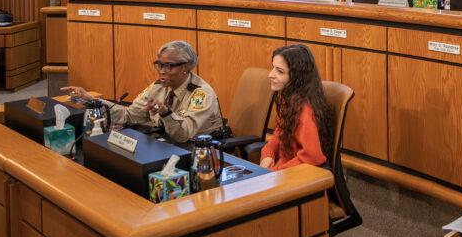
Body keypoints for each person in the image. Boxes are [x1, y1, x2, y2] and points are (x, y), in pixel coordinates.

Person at [62, 40, 223, 145]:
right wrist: (90, 100)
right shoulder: (158, 87)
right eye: (159, 64)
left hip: (199, 150)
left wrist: (166, 113)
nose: (162, 71)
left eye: (169, 66)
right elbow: (128, 116)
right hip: (166, 144)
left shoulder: (201, 94)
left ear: (185, 67)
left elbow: (183, 135)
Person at [259, 44, 334, 171]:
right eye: (273, 68)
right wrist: (268, 153)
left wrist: (275, 173)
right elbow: (280, 132)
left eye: (280, 71)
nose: (271, 74)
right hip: (284, 169)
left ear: (297, 77)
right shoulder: (289, 97)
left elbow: (312, 157)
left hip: (294, 176)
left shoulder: (304, 110)